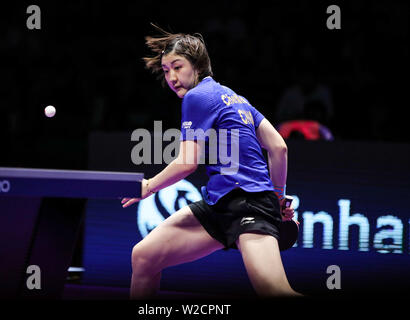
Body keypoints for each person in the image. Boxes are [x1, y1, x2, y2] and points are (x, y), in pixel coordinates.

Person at [121, 25, 301, 299]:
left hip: (248, 204)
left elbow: (186, 163)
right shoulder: (237, 99)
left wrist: (149, 187)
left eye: (177, 67)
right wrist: (278, 198)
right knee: (144, 256)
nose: (171, 77)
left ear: (197, 65)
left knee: (275, 291)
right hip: (220, 203)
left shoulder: (197, 97)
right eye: (166, 70)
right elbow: (278, 148)